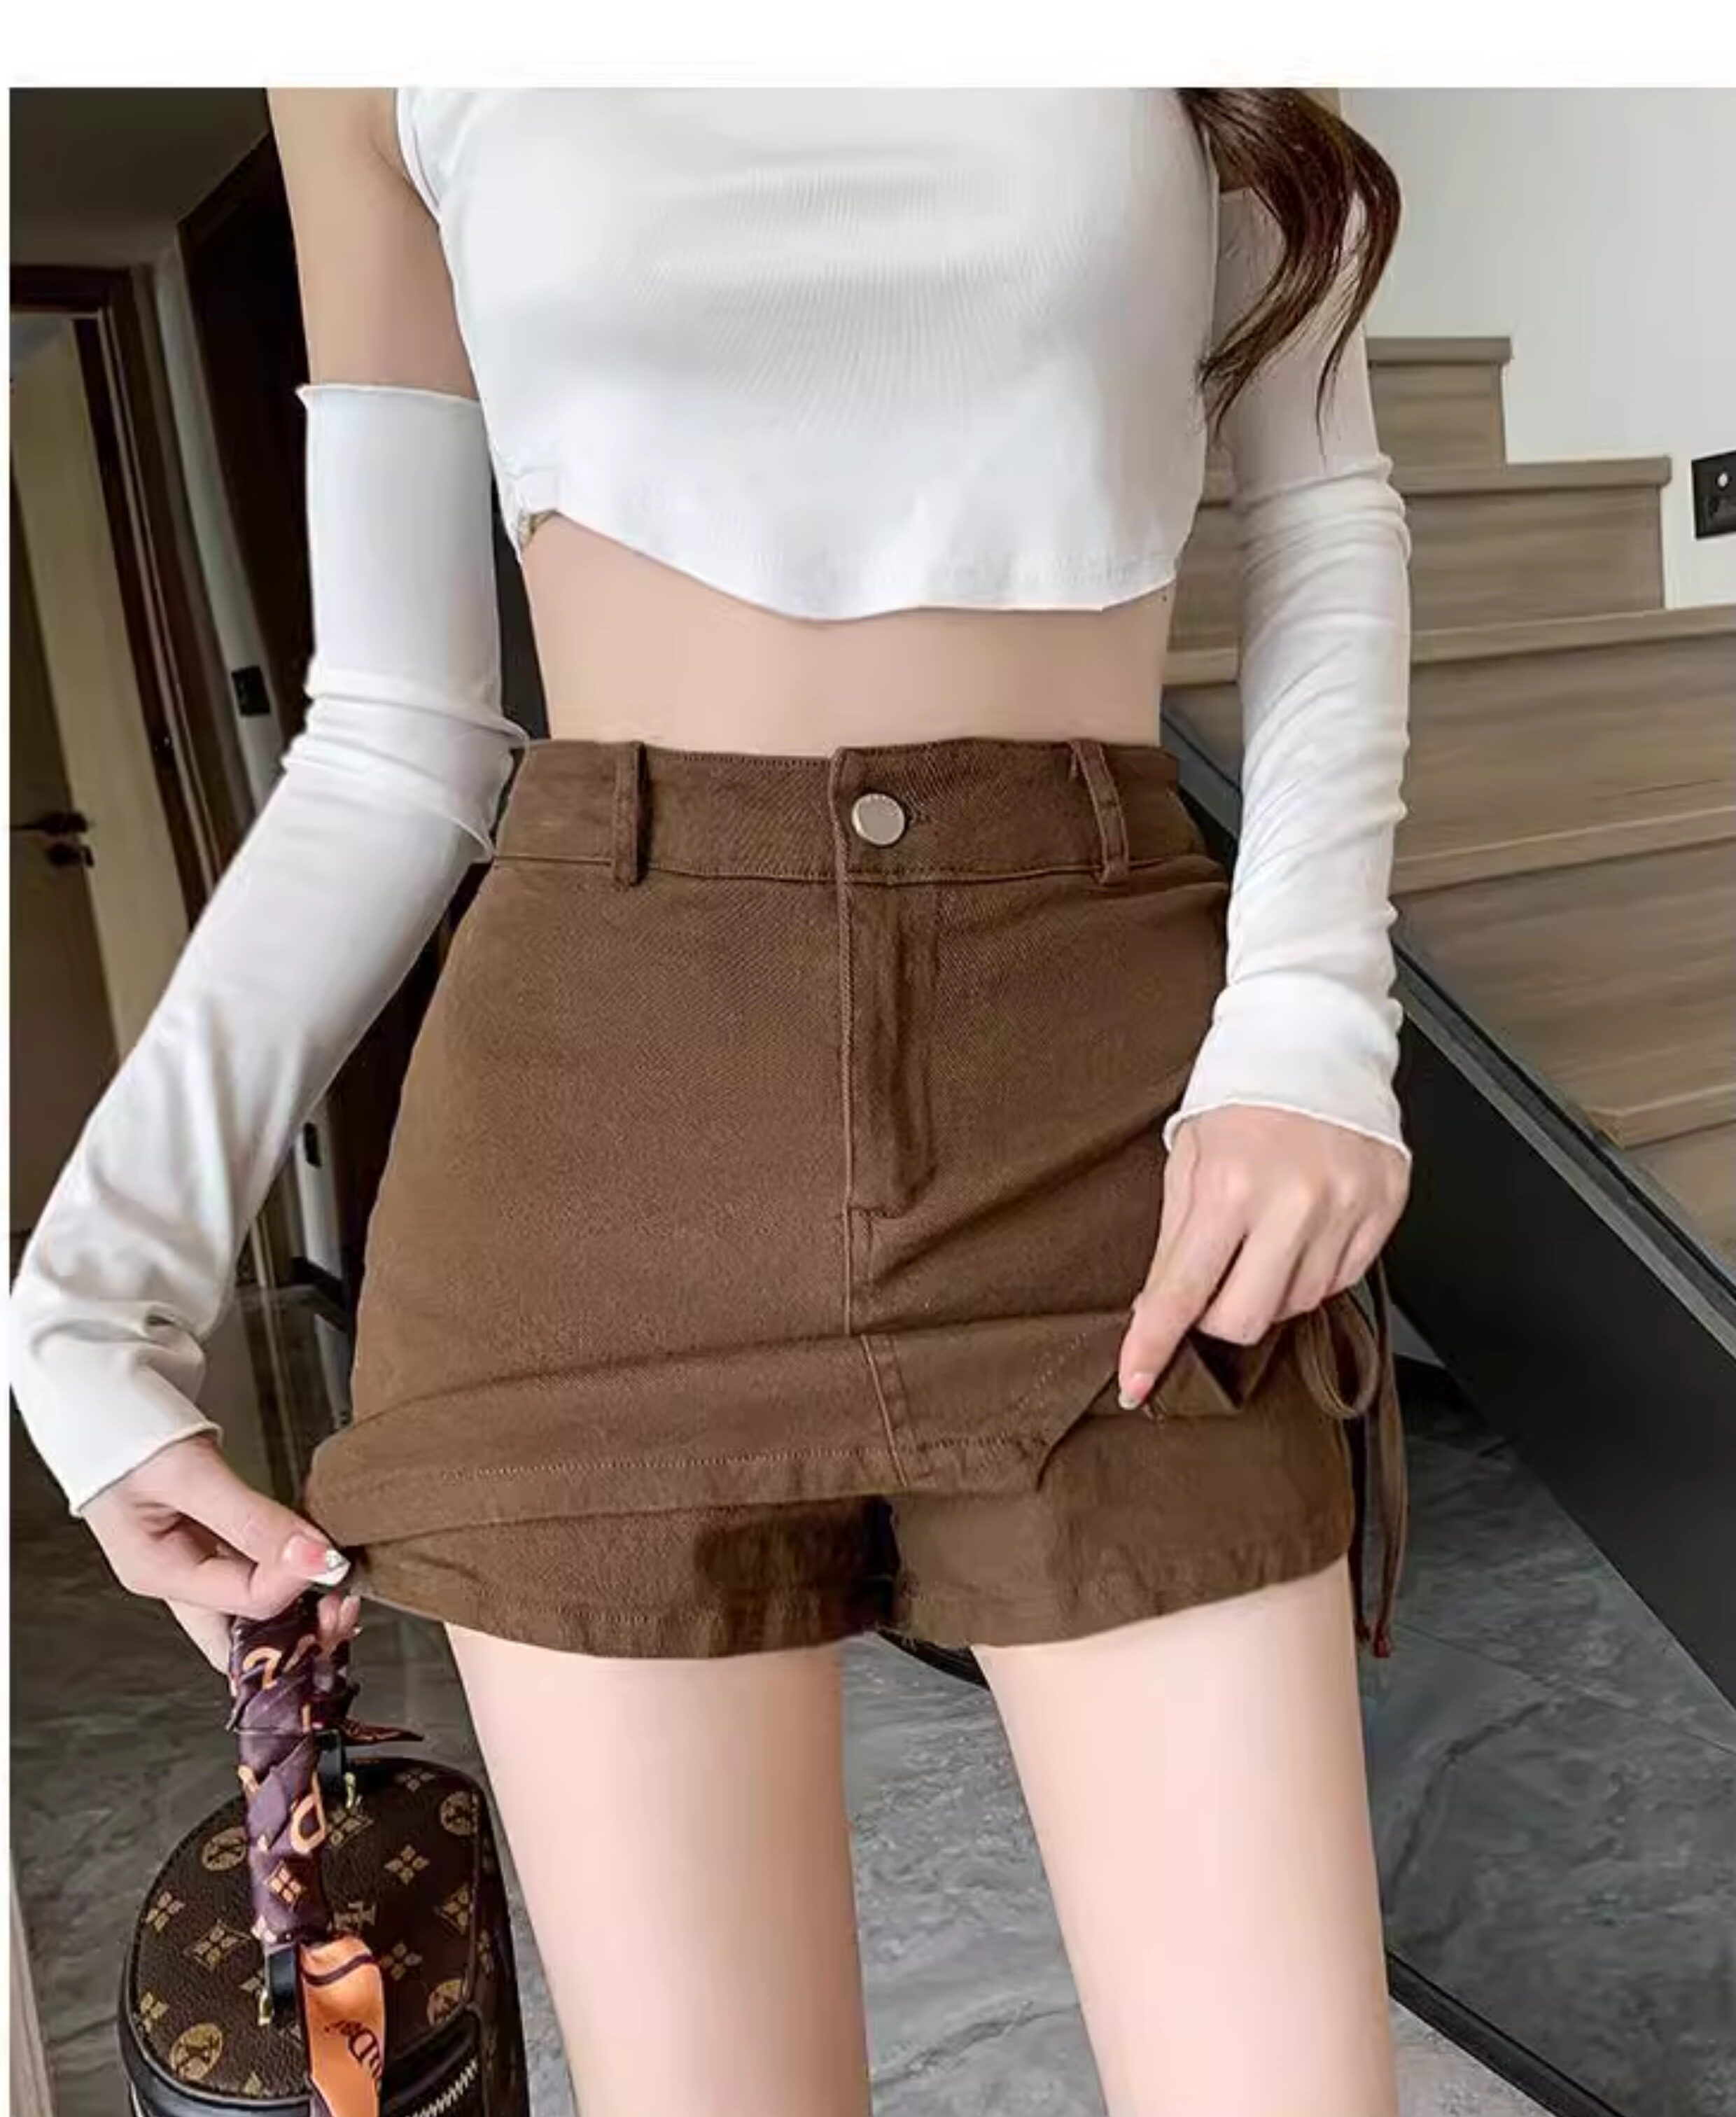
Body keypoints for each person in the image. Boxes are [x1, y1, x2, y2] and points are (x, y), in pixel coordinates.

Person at [11, 88, 1415, 2116]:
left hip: (1108, 1087)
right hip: (597, 1121)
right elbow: (396, 736)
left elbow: (1326, 519)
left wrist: (1307, 1019)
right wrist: (86, 1290)